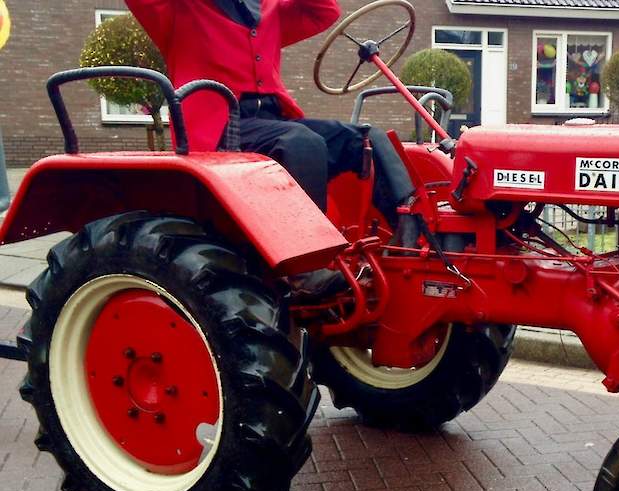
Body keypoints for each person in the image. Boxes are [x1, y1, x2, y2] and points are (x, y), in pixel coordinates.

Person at [125, 0, 416, 296]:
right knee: (301, 142)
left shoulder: (267, 10)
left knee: (366, 138)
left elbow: (324, 10)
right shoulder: (180, 10)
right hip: (218, 126)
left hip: (271, 120)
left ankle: (411, 238)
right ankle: (303, 269)